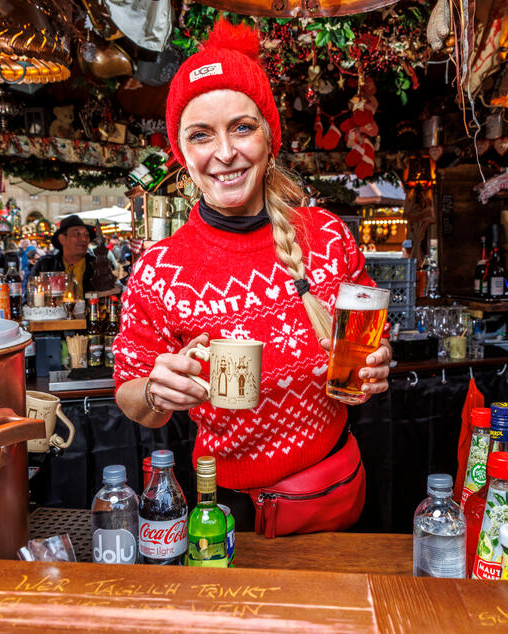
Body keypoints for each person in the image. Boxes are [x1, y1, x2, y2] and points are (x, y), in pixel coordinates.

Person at [112, 19, 391, 532]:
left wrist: (376, 362)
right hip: (226, 509)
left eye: (241, 127)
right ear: (183, 156)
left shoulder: (328, 236)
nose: (224, 153)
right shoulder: (158, 269)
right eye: (201, 135)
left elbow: (370, 342)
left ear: (269, 137)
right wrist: (154, 391)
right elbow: (129, 395)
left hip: (332, 490)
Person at [30, 215, 95, 297]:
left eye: (86, 235)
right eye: (76, 234)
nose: (83, 239)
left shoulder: (97, 266)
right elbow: (30, 296)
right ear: (62, 239)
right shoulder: (45, 265)